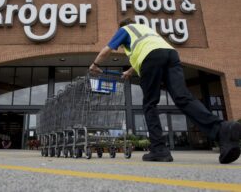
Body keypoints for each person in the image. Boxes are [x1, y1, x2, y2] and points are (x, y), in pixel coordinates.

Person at [89, 18, 241, 163]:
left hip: (151, 59)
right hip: (171, 55)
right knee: (183, 97)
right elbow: (153, 50)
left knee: (149, 104)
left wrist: (95, 64)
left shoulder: (125, 29)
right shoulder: (146, 30)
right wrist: (130, 71)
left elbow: (106, 50)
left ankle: (159, 149)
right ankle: (222, 129)